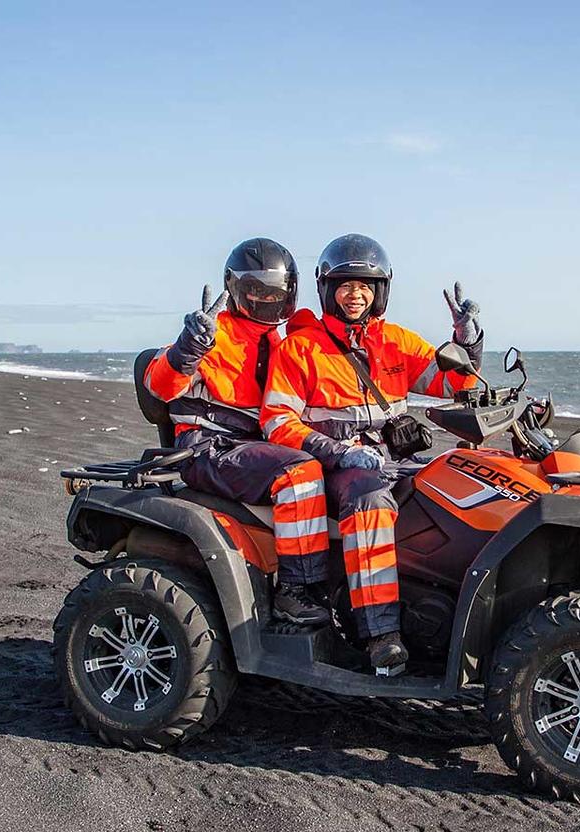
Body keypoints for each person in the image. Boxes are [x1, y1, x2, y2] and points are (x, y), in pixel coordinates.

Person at [260, 233, 484, 669]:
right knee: (369, 501)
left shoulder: (397, 341)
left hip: (389, 458)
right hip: (334, 464)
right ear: (328, 289)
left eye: (365, 285)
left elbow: (455, 384)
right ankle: (381, 634)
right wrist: (339, 453)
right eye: (345, 284)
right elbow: (277, 421)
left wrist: (466, 340)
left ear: (380, 291)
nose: (355, 294)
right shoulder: (301, 348)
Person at [143, 237, 331, 626]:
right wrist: (187, 348)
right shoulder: (213, 335)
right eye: (255, 290)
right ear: (236, 289)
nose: (266, 299)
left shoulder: (285, 339)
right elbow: (160, 385)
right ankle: (293, 592)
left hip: (255, 449)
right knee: (301, 475)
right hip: (208, 448)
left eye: (275, 291)